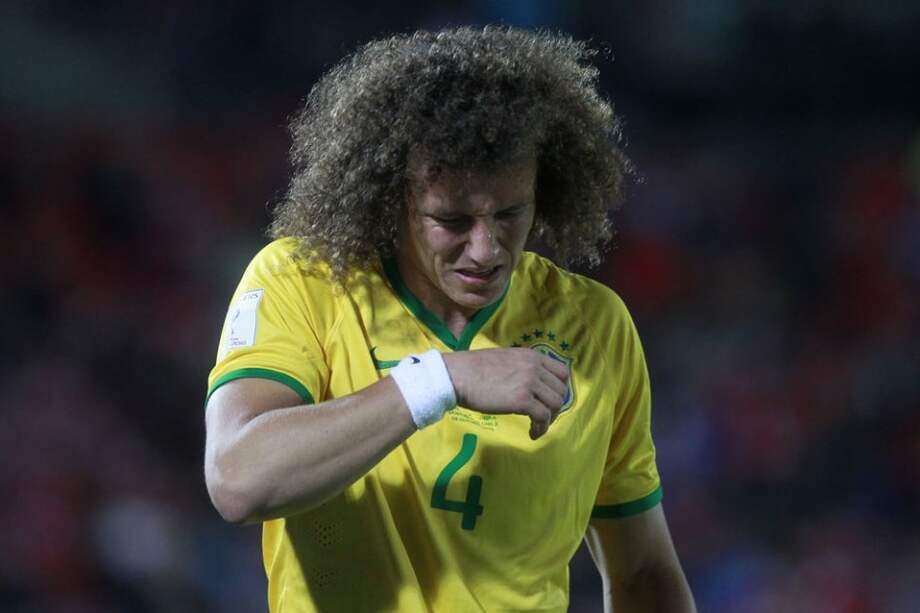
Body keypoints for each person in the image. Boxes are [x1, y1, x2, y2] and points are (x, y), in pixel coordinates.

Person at [204, 26, 695, 612]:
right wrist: (439, 380)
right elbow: (238, 479)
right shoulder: (305, 280)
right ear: (393, 197)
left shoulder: (594, 324)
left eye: (510, 214)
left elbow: (641, 570)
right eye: (452, 220)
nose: (486, 250)